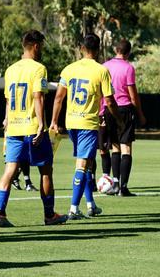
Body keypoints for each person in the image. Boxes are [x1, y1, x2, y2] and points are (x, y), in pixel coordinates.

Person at [0, 30, 68, 227]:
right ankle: (49, 215)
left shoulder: (10, 70)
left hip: (13, 128)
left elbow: (9, 100)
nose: (41, 49)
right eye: (41, 46)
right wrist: (42, 124)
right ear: (36, 46)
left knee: (9, 171)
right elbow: (38, 97)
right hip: (33, 128)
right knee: (45, 171)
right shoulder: (38, 69)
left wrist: (7, 119)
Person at [50, 34, 121, 220]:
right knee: (82, 164)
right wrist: (118, 118)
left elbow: (58, 98)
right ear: (99, 49)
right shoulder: (101, 71)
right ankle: (74, 208)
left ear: (81, 48)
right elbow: (110, 101)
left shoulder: (68, 69)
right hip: (88, 123)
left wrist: (54, 121)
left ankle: (91, 205)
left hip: (71, 122)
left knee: (88, 164)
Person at [101, 39, 146, 196]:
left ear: (115, 49)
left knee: (115, 146)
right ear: (128, 52)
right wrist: (140, 114)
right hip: (125, 109)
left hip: (108, 108)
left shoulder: (105, 66)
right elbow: (133, 95)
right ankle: (124, 188)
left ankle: (115, 184)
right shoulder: (128, 68)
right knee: (126, 148)